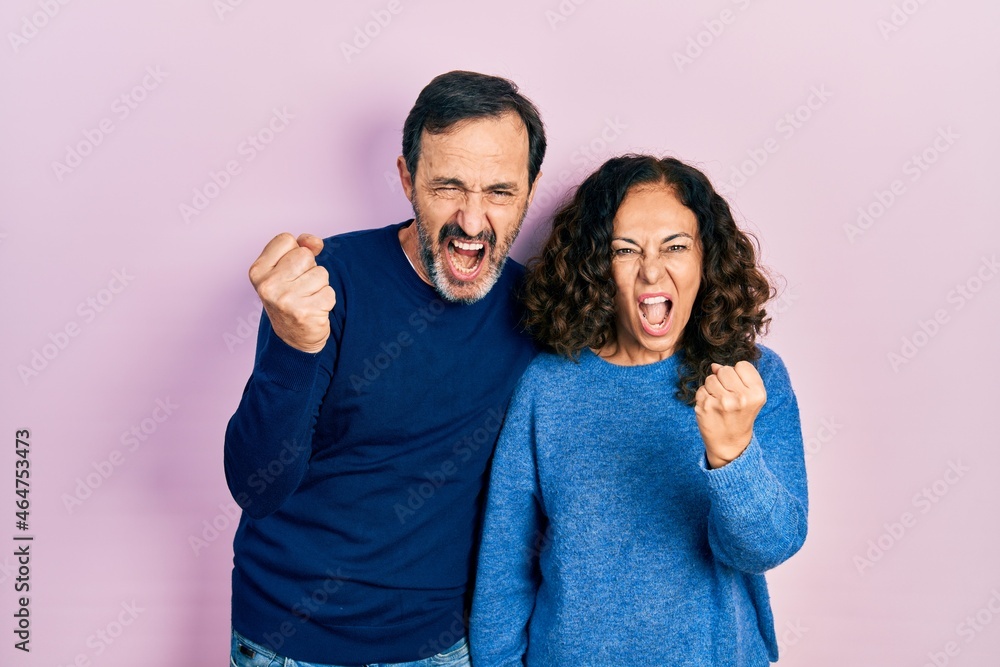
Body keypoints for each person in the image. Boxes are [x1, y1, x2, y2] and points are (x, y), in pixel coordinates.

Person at [223, 70, 545, 667]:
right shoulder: (327, 284)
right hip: (288, 642)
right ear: (407, 179)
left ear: (530, 189)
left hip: (442, 647)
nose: (472, 222)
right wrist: (294, 348)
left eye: (500, 192)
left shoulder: (540, 312)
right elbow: (256, 487)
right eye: (448, 186)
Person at [471, 155, 808, 666]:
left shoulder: (751, 381)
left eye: (675, 246)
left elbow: (765, 549)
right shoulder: (547, 385)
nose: (652, 270)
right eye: (625, 250)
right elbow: (505, 562)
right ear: (597, 267)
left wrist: (732, 454)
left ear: (706, 259)